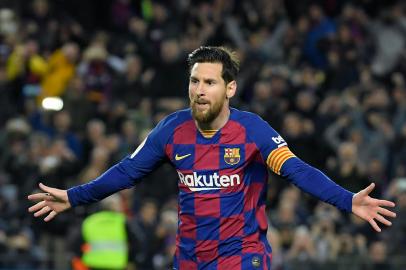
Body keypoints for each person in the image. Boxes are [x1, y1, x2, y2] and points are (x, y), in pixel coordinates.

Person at [28, 46, 397, 270]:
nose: (199, 91)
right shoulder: (171, 131)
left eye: (209, 82)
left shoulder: (253, 132)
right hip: (189, 258)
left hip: (242, 256)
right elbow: (127, 171)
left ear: (230, 88)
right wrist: (74, 196)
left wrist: (347, 200)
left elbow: (296, 170)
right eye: (194, 81)